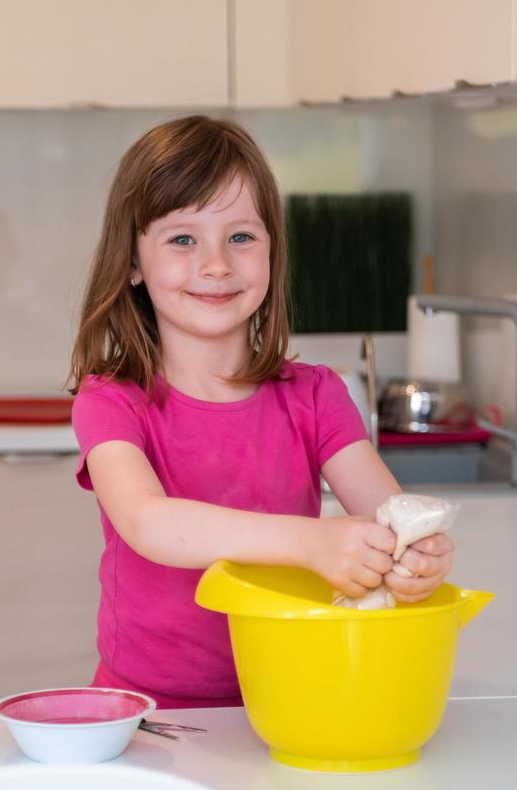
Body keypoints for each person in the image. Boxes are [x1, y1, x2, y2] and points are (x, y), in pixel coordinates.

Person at [68, 115, 453, 709]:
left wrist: (412, 555)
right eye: (182, 239)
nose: (216, 264)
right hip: (145, 708)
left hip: (288, 693)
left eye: (241, 237)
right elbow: (149, 523)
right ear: (134, 263)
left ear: (273, 249)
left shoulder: (317, 395)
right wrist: (310, 543)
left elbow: (387, 519)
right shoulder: (112, 400)